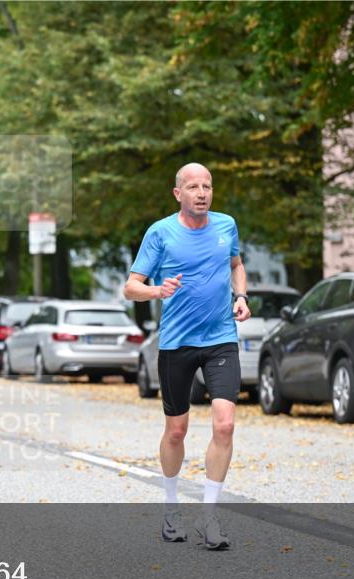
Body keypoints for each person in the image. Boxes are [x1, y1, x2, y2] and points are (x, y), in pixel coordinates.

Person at [123, 162, 250, 550]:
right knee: (176, 430)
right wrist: (157, 291)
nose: (201, 192)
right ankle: (171, 507)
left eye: (207, 186)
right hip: (177, 342)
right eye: (193, 186)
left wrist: (241, 296)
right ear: (178, 193)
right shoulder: (160, 232)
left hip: (220, 339)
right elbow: (131, 288)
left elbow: (236, 264)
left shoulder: (226, 225)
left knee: (225, 425)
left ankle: (209, 517)